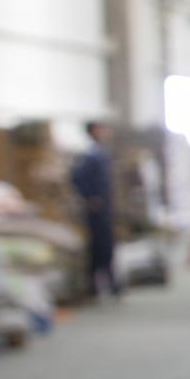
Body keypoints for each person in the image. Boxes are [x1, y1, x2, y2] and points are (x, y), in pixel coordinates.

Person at [71, 120, 120, 299]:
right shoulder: (90, 154)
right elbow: (76, 177)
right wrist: (90, 197)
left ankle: (105, 283)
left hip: (104, 206)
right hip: (97, 208)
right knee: (100, 245)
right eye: (101, 129)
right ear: (93, 131)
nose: (105, 132)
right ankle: (101, 283)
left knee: (105, 244)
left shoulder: (100, 152)